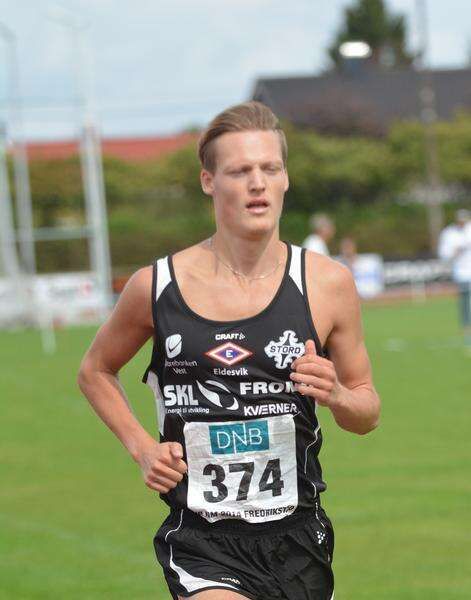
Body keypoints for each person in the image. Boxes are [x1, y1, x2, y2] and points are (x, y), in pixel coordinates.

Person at [78, 101, 380, 600]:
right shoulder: (156, 286)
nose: (257, 183)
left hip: (298, 538)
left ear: (286, 178)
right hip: (202, 541)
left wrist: (339, 395)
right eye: (240, 171)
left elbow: (366, 413)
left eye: (270, 168)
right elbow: (95, 371)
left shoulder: (328, 284)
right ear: (209, 181)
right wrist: (142, 448)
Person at [438, 209, 471, 347]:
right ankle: (467, 330)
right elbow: (443, 254)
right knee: (465, 303)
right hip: (462, 273)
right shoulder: (449, 233)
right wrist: (454, 252)